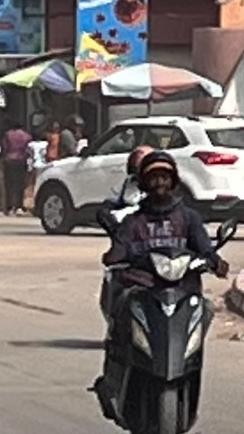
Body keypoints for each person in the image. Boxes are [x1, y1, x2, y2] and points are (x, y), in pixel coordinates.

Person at [94, 149, 228, 404]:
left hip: (182, 289)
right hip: (144, 291)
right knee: (121, 310)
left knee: (206, 309)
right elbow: (118, 250)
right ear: (144, 183)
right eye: (153, 178)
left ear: (173, 181)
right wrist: (116, 256)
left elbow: (204, 248)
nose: (159, 184)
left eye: (164, 177)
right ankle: (114, 374)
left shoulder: (188, 218)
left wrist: (214, 261)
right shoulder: (134, 221)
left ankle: (189, 362)